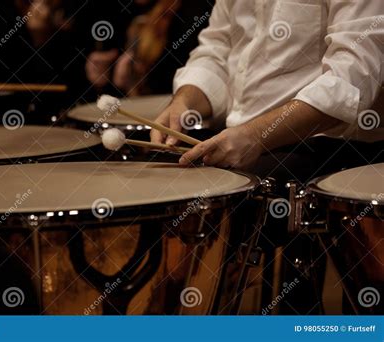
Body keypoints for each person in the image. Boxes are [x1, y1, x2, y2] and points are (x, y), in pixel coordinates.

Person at [151, 1, 383, 314]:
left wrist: (256, 136)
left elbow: (352, 78)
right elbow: (216, 50)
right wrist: (185, 102)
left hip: (327, 146)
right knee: (154, 177)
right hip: (242, 138)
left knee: (208, 198)